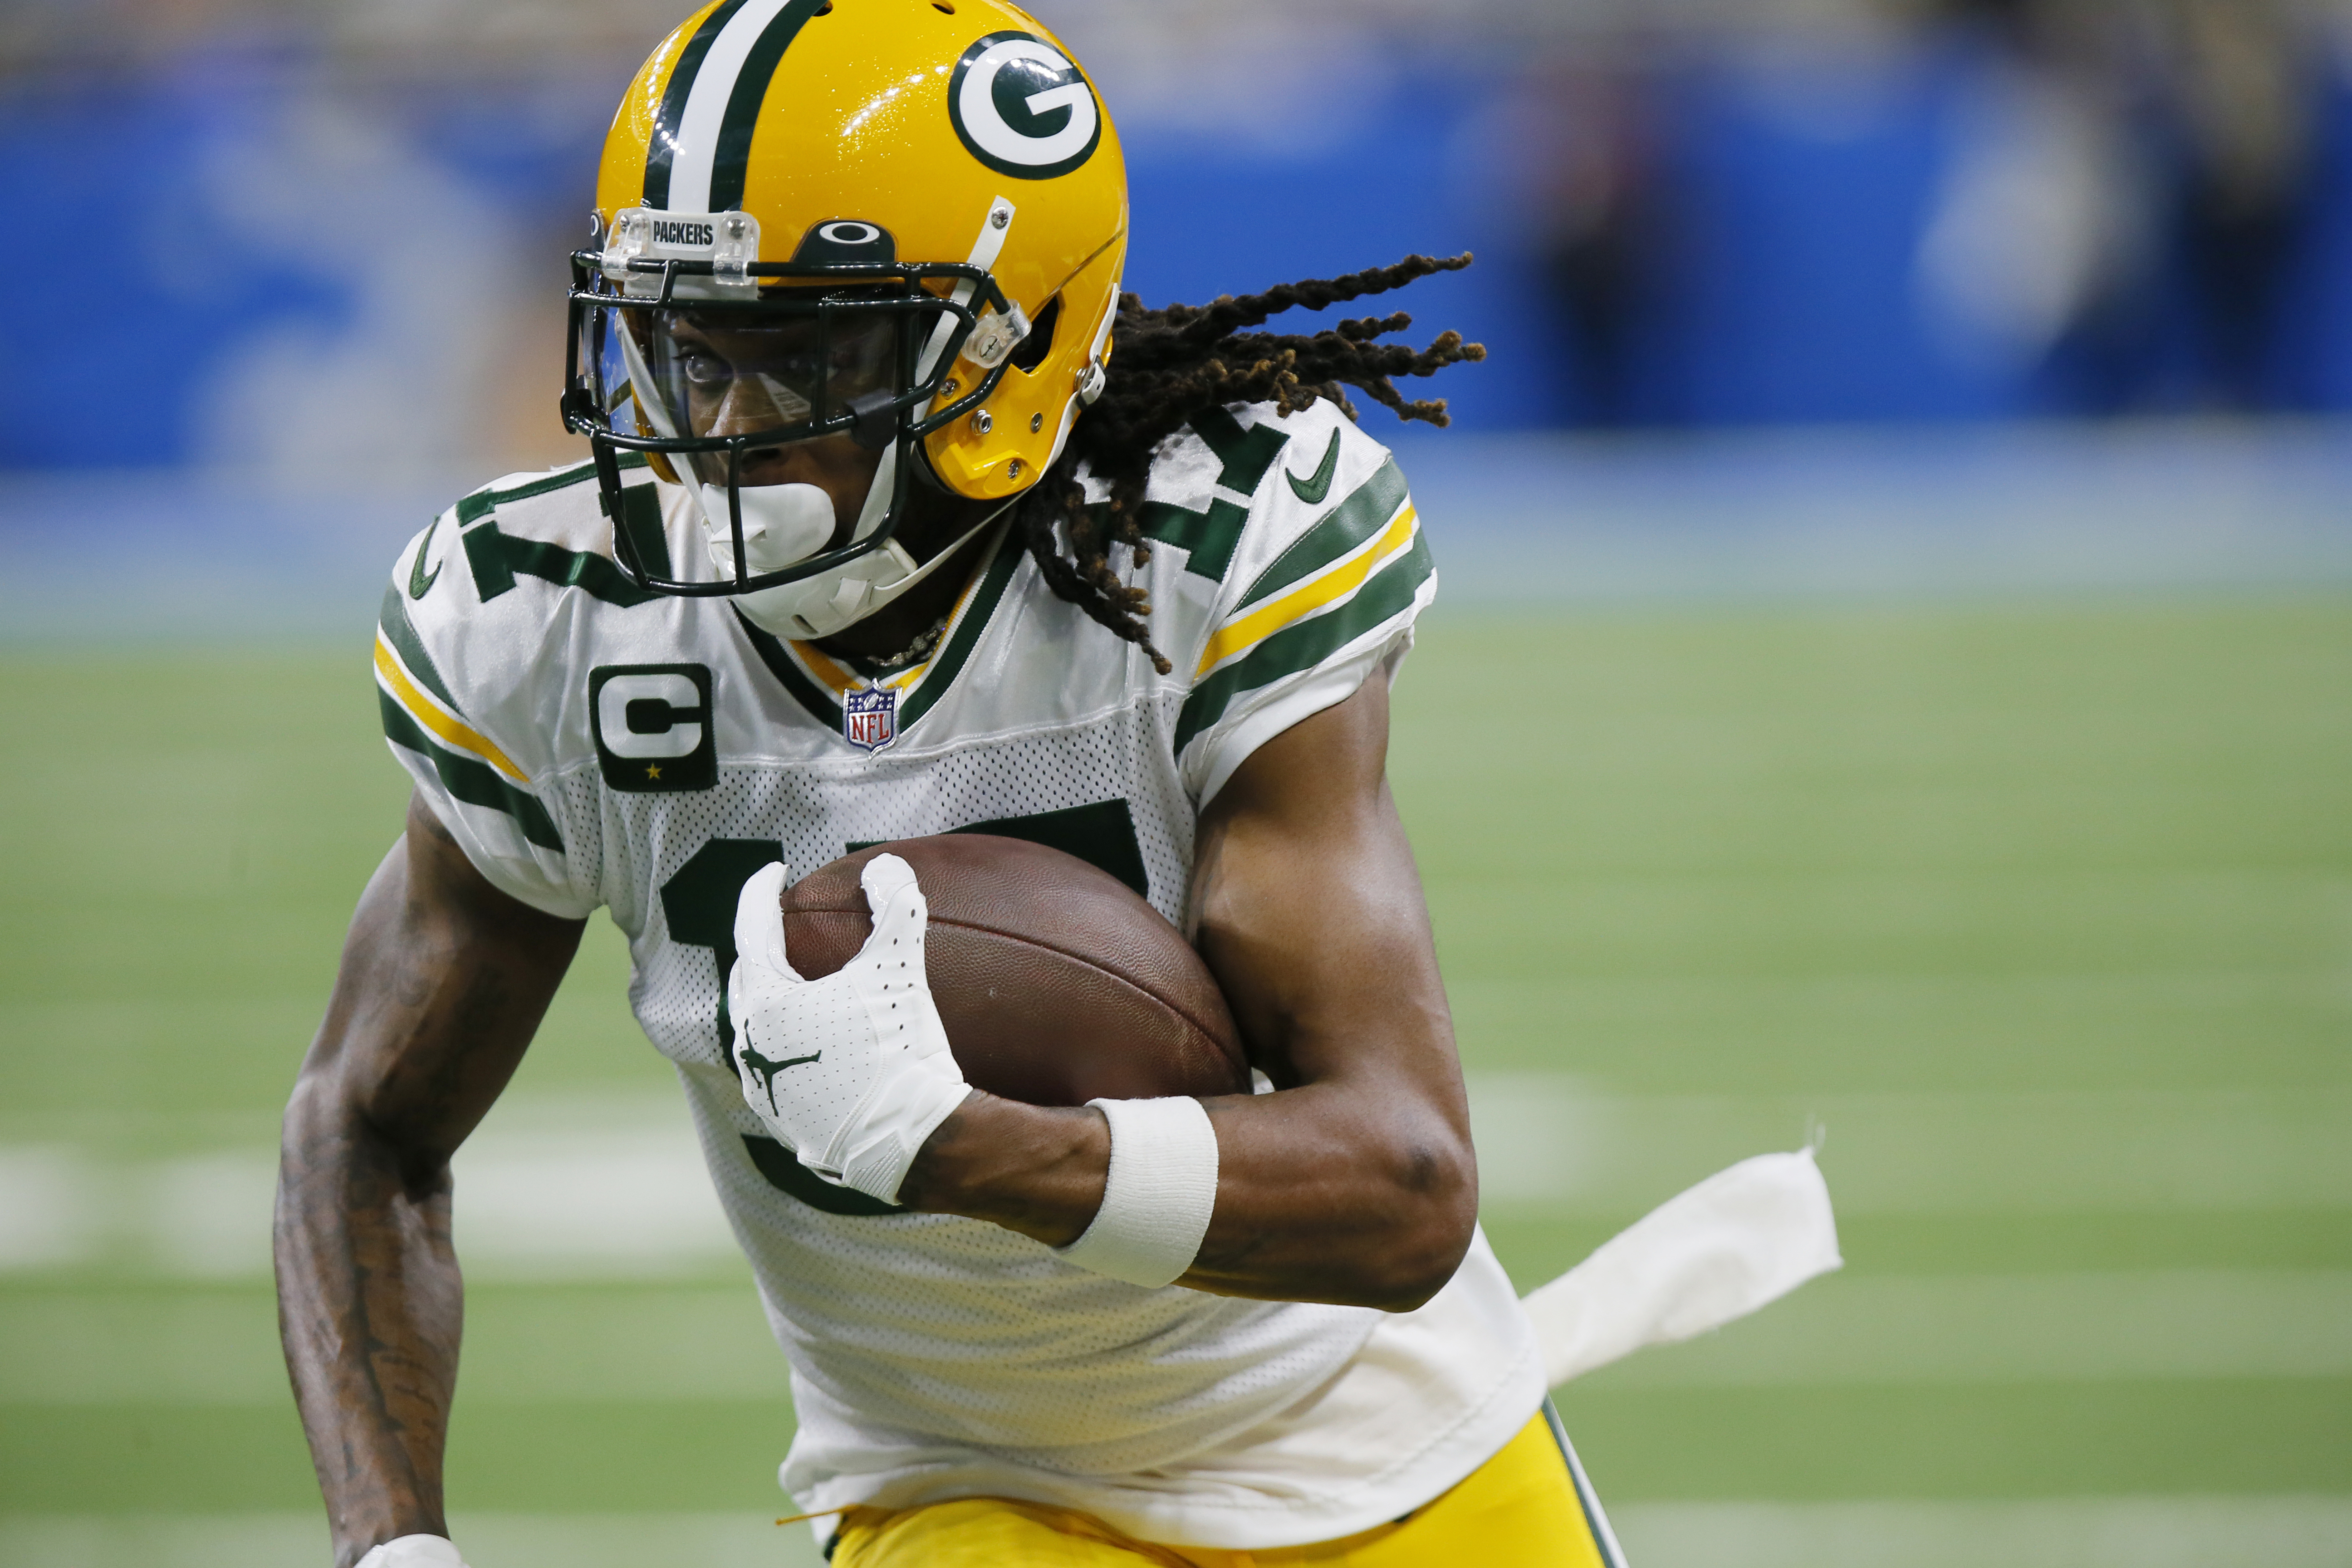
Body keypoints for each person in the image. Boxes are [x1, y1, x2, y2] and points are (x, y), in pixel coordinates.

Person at [276, 3, 1626, 1564]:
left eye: (805, 359)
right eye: (685, 346)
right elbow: (365, 1130)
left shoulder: (1196, 559)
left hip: (1382, 1430)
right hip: (955, 1480)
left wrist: (962, 1141)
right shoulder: (548, 625)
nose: (720, 431)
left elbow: (1402, 1188)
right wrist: (396, 1549)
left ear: (1016, 349)